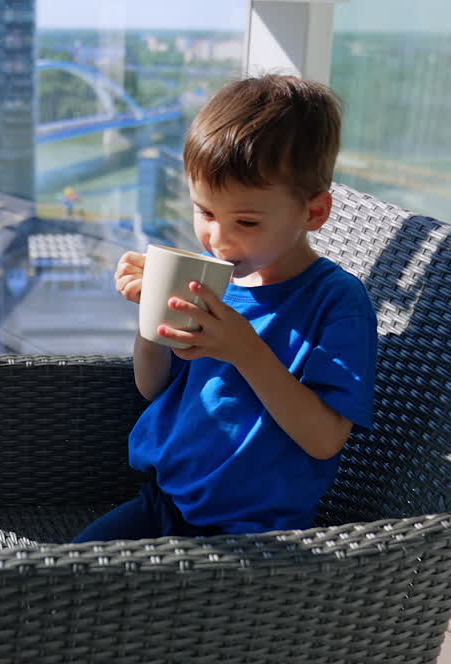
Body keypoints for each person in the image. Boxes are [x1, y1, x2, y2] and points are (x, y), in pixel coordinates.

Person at [73, 73, 377, 542]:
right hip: (164, 502)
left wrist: (245, 350)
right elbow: (154, 388)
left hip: (251, 534)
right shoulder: (214, 279)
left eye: (246, 222)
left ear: (313, 213)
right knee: (60, 573)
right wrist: (152, 317)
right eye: (206, 212)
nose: (218, 239)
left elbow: (324, 440)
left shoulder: (336, 303)